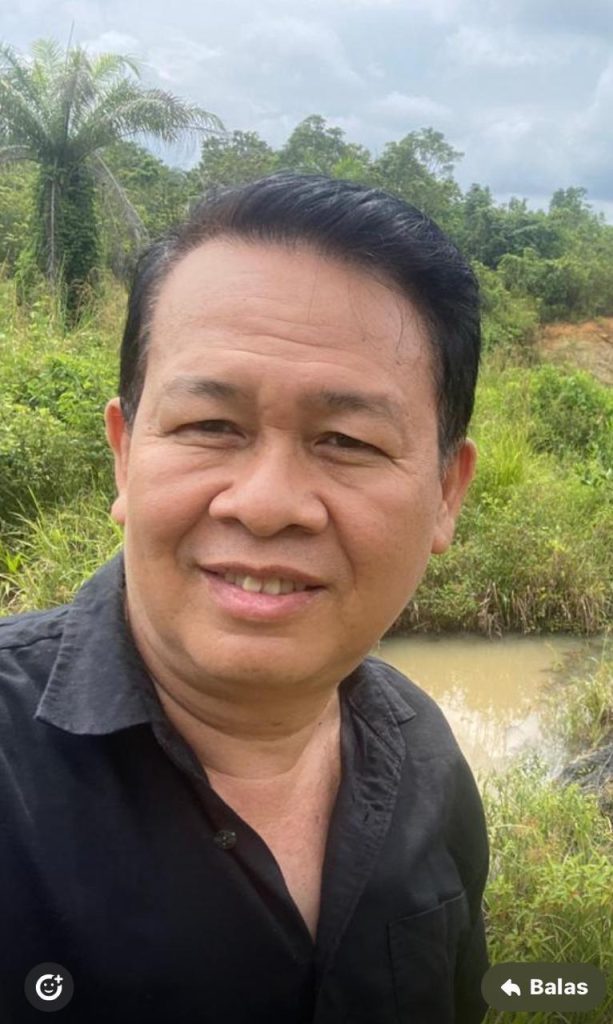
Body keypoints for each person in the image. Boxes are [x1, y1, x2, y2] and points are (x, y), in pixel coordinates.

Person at [0, 173, 489, 1023]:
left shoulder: (425, 757)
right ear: (124, 455)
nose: (265, 505)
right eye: (210, 427)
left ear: (446, 493)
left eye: (346, 440)